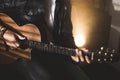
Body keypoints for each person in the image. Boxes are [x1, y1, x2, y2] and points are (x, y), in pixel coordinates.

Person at [0, 0, 91, 80]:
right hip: (21, 54)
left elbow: (66, 39)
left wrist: (74, 55)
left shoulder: (64, 4)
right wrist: (3, 31)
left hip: (51, 52)